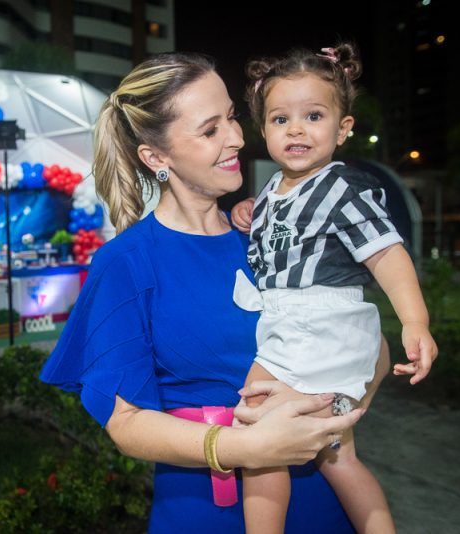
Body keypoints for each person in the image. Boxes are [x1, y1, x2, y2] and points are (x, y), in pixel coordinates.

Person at [40, 52, 389, 533]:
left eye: (231, 117)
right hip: (208, 509)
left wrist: (342, 407)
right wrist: (243, 447)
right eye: (210, 130)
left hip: (321, 495)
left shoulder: (272, 234)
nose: (237, 137)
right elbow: (125, 422)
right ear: (156, 158)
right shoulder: (125, 263)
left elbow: (370, 343)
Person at [228, 44, 438, 533]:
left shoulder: (343, 188)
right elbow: (276, 237)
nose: (296, 128)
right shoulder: (275, 191)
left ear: (343, 128)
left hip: (315, 325)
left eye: (314, 115)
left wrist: (415, 320)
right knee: (338, 455)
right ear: (265, 131)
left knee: (257, 437)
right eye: (281, 119)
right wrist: (249, 214)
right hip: (310, 329)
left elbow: (386, 253)